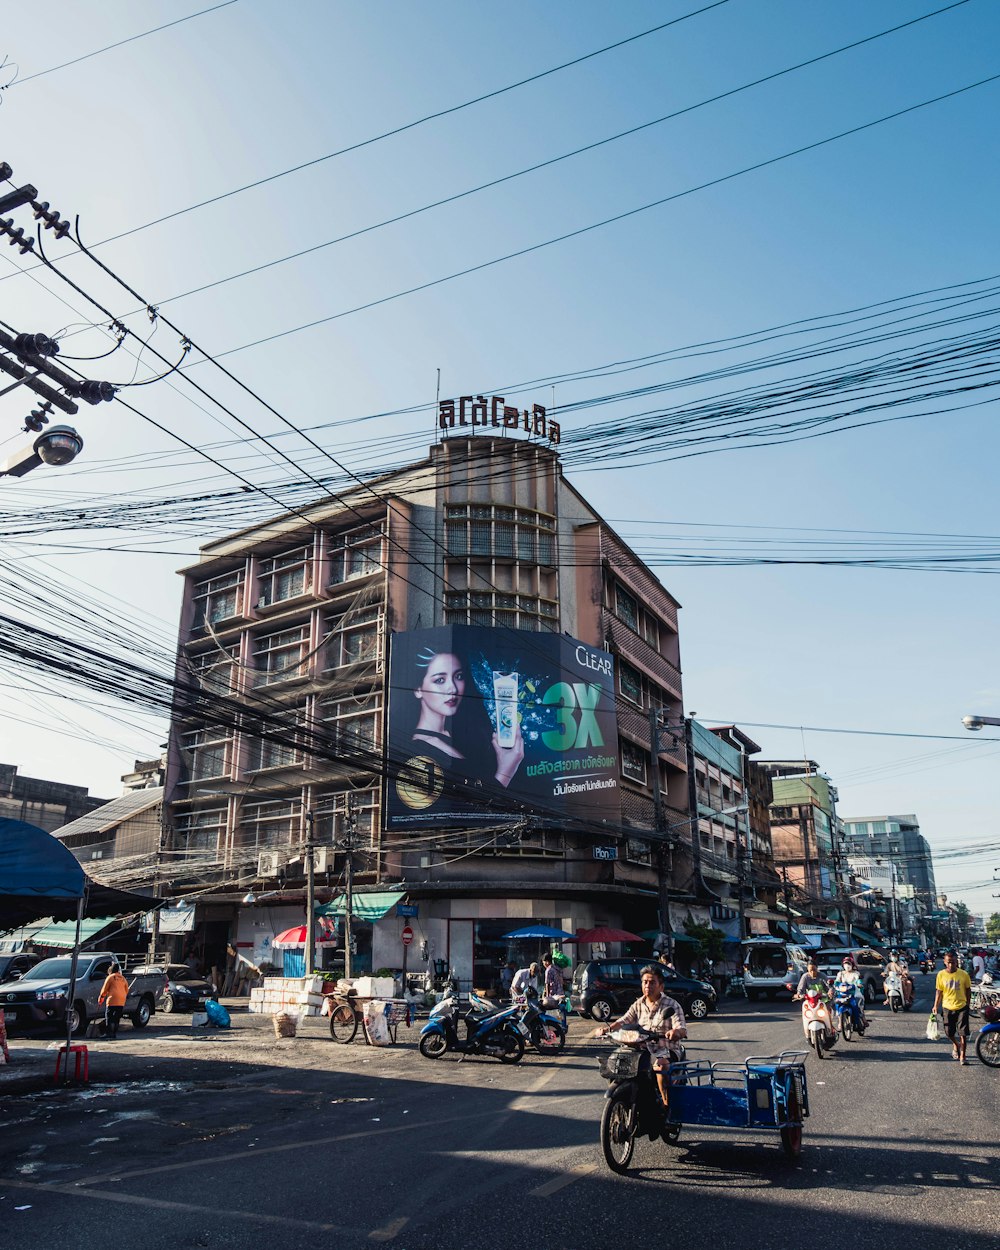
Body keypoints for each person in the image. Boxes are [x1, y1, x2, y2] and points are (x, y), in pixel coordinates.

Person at [410, 647, 524, 788]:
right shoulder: (418, 752)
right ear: (418, 690)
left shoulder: (458, 737)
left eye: (458, 677)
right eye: (440, 680)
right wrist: (505, 771)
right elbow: (469, 806)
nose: (453, 688)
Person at [603, 964, 687, 1109]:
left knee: (661, 1066)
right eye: (645, 982)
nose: (648, 985)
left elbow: (681, 1028)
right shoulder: (638, 1003)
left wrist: (676, 1032)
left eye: (652, 982)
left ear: (661, 986)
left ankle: (667, 1107)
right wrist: (608, 1028)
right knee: (616, 1063)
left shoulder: (672, 1005)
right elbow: (624, 1020)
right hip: (642, 1049)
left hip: (665, 1049)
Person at [932, 949, 972, 1064]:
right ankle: (956, 1044)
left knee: (963, 1033)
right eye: (949, 962)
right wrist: (935, 1005)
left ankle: (963, 1057)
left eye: (953, 962)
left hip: (961, 1007)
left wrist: (968, 1004)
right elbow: (939, 991)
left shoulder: (963, 974)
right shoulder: (941, 975)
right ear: (945, 962)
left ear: (957, 962)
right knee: (949, 1032)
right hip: (947, 1007)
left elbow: (968, 990)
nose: (951, 964)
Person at [833, 955, 869, 1033]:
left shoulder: (855, 973)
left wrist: (859, 984)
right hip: (842, 993)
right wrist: (835, 985)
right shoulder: (841, 974)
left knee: (857, 1005)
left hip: (854, 993)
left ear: (852, 965)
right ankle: (840, 1023)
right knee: (837, 1004)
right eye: (845, 964)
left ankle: (863, 1019)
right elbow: (837, 982)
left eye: (849, 964)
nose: (847, 966)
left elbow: (858, 980)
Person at [97, 963, 129, 1040]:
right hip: (121, 1000)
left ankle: (108, 1033)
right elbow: (127, 990)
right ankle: (114, 1033)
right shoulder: (123, 978)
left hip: (112, 999)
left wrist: (101, 998)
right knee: (116, 1017)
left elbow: (104, 989)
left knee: (109, 1016)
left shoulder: (110, 977)